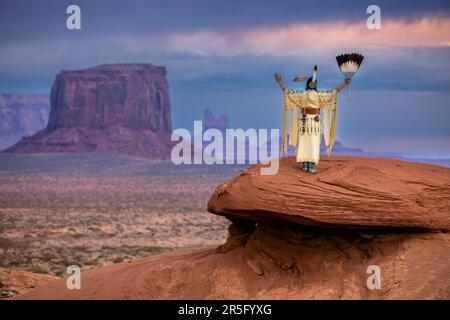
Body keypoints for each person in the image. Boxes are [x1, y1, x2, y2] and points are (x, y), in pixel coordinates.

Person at [275, 65, 350, 173]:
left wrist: (279, 82)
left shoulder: (301, 95)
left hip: (304, 120)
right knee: (313, 143)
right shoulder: (319, 95)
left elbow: (286, 91)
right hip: (314, 121)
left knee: (305, 142)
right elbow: (335, 91)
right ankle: (310, 167)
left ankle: (305, 165)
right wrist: (345, 83)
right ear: (315, 85)